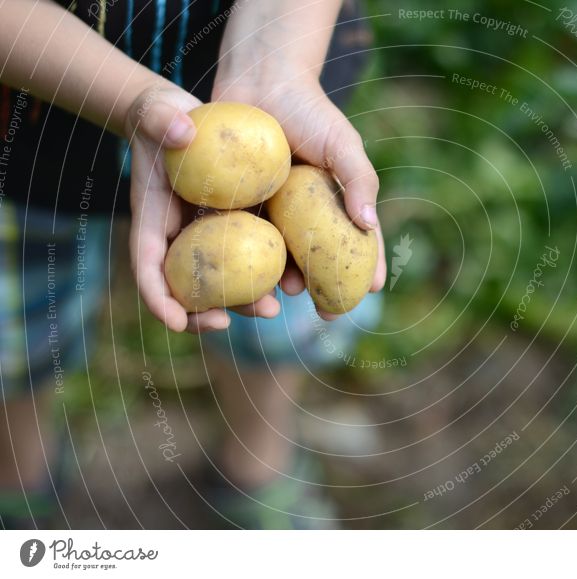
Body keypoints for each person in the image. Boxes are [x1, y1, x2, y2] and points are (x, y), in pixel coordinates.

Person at [0, 0, 386, 529]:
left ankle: (257, 463)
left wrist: (279, 62)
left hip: (280, 96)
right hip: (25, 133)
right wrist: (135, 100)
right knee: (13, 329)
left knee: (278, 327)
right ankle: (18, 471)